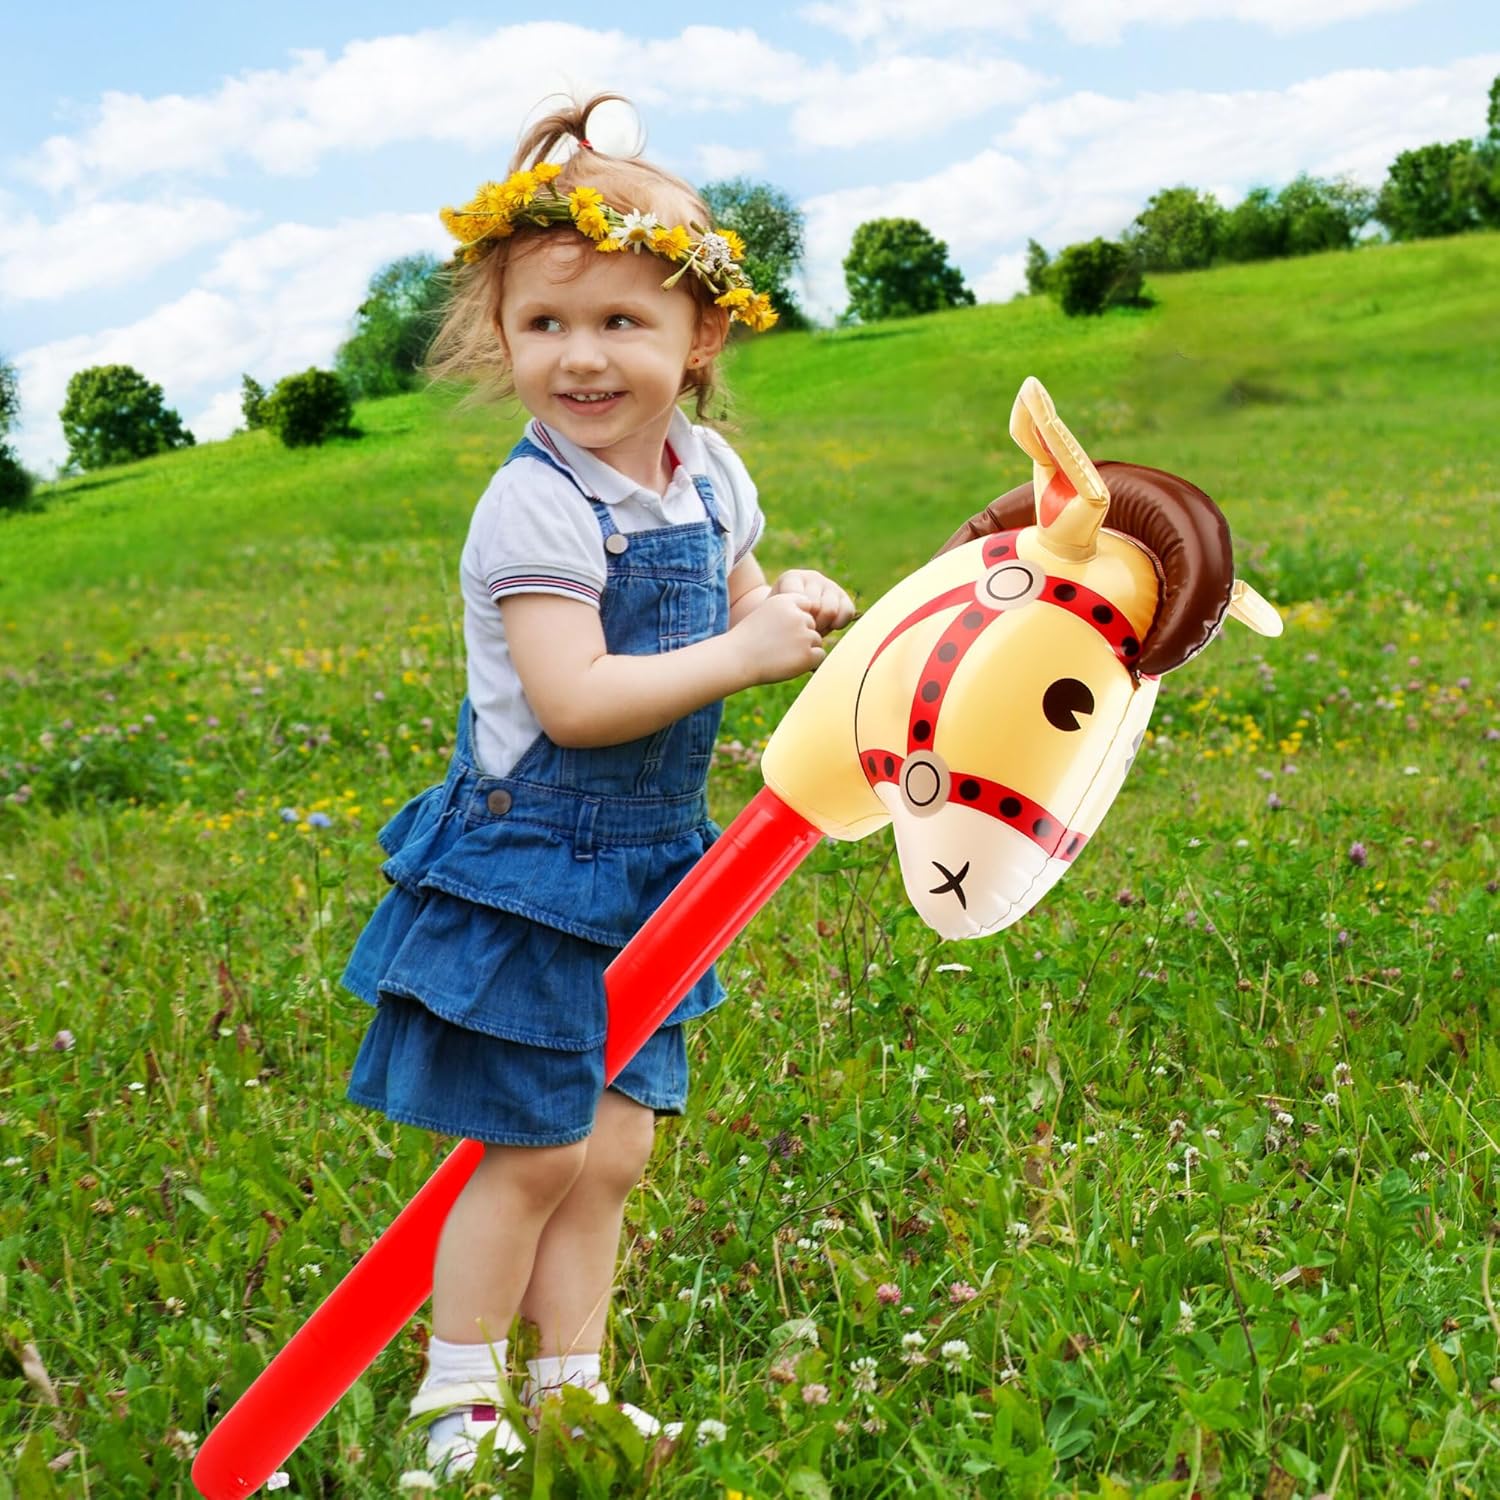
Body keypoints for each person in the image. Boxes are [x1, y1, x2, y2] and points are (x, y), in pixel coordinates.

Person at [339, 93, 854, 1475]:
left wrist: (788, 605)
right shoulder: (536, 502)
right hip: (530, 864)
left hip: (647, 864)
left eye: (622, 320)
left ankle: (571, 1393)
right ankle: (459, 1402)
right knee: (531, 1150)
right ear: (502, 337)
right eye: (545, 323)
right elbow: (572, 699)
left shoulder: (708, 475)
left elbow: (738, 602)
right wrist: (741, 654)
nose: (581, 355)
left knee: (613, 1152)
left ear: (702, 336)